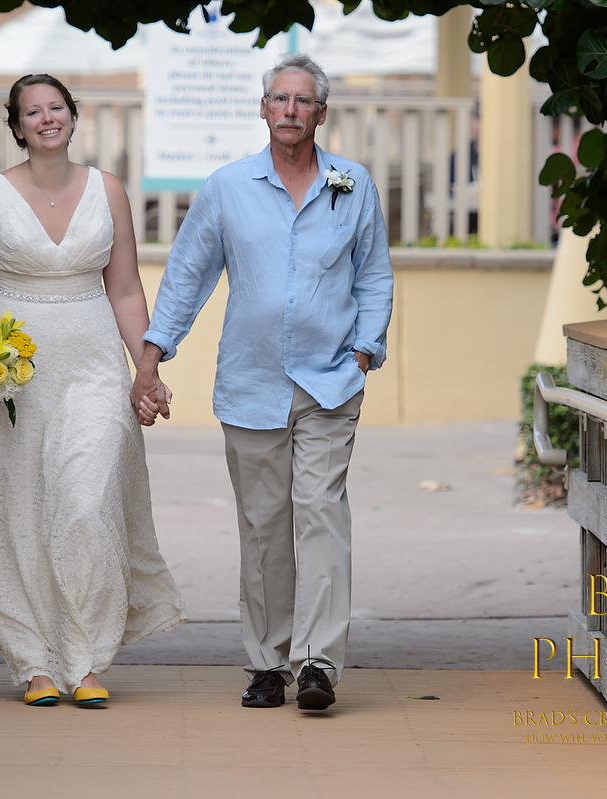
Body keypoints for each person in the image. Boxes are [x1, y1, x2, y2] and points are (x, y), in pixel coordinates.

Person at [133, 54, 393, 711]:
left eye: (303, 101)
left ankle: (319, 663)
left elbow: (373, 273)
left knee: (321, 514)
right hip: (251, 384)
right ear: (263, 108)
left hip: (331, 382)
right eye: (280, 98)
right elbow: (187, 273)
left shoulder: (352, 183)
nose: (290, 110)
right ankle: (268, 663)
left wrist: (365, 350)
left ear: (321, 113)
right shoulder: (227, 187)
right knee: (264, 526)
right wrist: (152, 356)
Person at [0, 74, 186, 707]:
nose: (47, 118)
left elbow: (125, 289)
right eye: (33, 112)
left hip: (95, 368)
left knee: (85, 503)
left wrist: (147, 368)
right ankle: (35, 663)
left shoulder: (109, 190)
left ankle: (85, 657)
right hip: (15, 378)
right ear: (17, 127)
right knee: (21, 513)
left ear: (72, 118)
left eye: (57, 107)